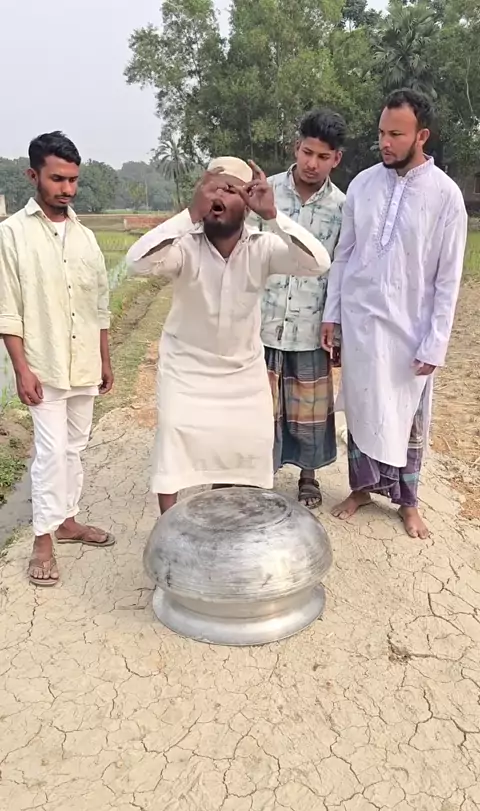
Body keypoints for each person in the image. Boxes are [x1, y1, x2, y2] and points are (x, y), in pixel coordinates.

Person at [126, 157, 331, 514]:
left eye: (230, 189)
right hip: (186, 372)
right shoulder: (184, 247)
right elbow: (136, 263)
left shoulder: (263, 247)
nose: (218, 197)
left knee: (242, 450)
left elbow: (318, 263)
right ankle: (168, 529)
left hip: (243, 375)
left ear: (248, 203)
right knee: (173, 446)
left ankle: (221, 521)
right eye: (212, 188)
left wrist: (274, 216)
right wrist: (189, 214)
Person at [321, 89, 468, 538]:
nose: (385, 142)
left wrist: (436, 342)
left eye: (396, 135)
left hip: (411, 329)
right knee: (363, 406)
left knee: (409, 418)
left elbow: (448, 278)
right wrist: (333, 315)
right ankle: (361, 489)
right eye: (382, 132)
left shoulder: (446, 196)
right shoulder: (363, 185)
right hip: (362, 323)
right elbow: (344, 255)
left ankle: (408, 502)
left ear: (421, 136)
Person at [0, 132, 115, 587]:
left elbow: (99, 305)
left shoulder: (86, 237)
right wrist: (21, 369)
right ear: (33, 176)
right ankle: (42, 540)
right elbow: (8, 309)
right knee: (49, 453)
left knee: (74, 447)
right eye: (57, 179)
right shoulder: (12, 235)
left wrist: (105, 359)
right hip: (43, 365)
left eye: (73, 180)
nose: (67, 189)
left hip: (84, 362)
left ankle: (67, 521)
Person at [259, 108, 347, 508]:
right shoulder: (265, 193)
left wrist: (336, 323)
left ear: (336, 159)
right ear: (297, 147)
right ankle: (255, 473)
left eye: (323, 156)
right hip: (263, 319)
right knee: (258, 405)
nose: (312, 163)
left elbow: (341, 268)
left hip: (311, 324)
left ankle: (308, 476)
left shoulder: (342, 207)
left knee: (308, 407)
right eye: (307, 152)